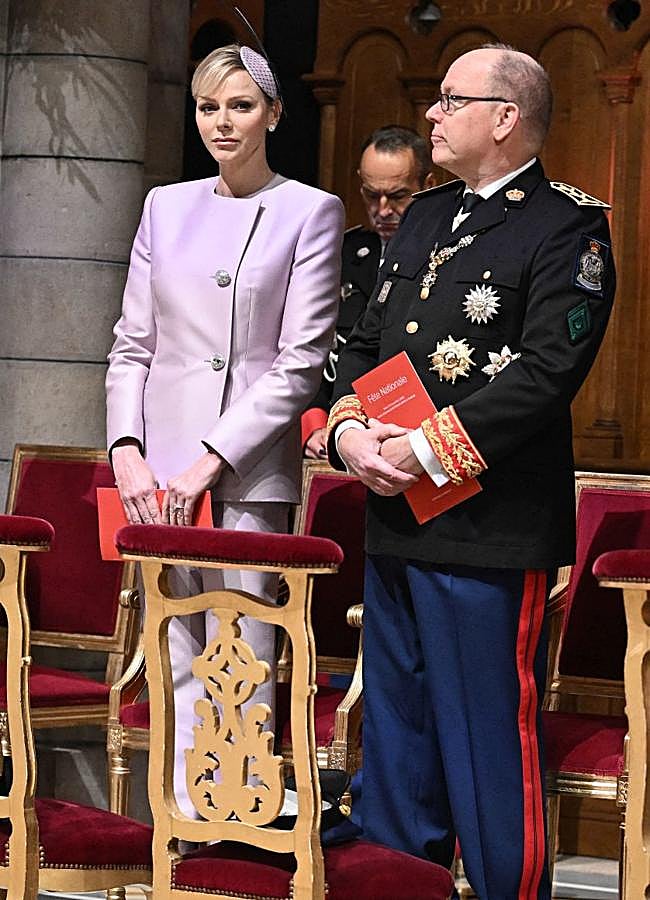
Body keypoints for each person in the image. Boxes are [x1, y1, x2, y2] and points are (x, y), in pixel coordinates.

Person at [327, 44, 615, 899]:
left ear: (505, 117)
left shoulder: (568, 224)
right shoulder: (422, 216)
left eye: (452, 101)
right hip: (398, 511)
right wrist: (349, 431)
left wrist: (421, 448)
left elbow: (545, 373)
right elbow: (366, 343)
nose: (432, 115)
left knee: (485, 737)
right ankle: (399, 884)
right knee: (401, 732)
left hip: (488, 525)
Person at [106, 43, 344, 813]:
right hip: (157, 477)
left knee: (238, 655)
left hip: (242, 473)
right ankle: (177, 828)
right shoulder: (164, 207)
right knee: (173, 653)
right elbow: (131, 347)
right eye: (209, 107)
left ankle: (235, 830)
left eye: (240, 106)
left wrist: (210, 459)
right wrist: (127, 452)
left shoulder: (310, 209)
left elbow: (300, 363)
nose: (222, 122)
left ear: (273, 113)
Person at [302, 125, 431, 458]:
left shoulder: (445, 256)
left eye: (398, 195)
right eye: (372, 195)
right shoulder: (341, 255)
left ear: (427, 186)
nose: (383, 209)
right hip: (339, 434)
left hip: (414, 438)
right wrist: (316, 422)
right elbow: (309, 344)